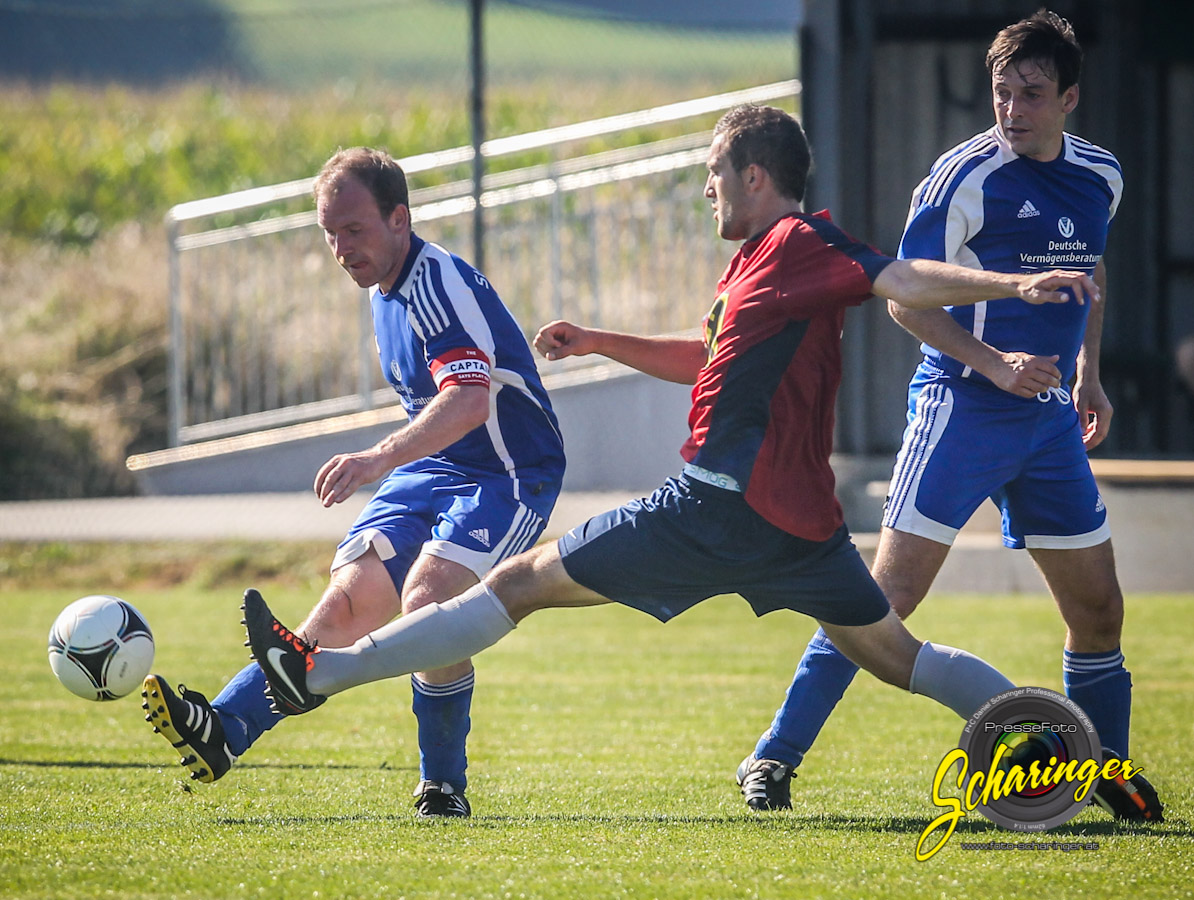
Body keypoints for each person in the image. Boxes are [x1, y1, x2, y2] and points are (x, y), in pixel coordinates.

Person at [235, 105, 1102, 807]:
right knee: (898, 655)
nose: (706, 191)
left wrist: (1012, 284)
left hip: (712, 506)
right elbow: (706, 359)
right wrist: (597, 341)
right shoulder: (750, 268)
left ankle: (323, 674)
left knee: (518, 584)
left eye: (715, 175)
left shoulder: (803, 245)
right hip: (798, 531)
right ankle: (1063, 747)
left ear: (755, 177)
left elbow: (901, 278)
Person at [735, 10, 1163, 823]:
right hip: (961, 407)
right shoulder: (961, 179)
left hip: (1047, 423)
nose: (1012, 110)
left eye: (1032, 94)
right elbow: (903, 301)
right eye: (1002, 92)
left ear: (1070, 96)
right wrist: (995, 364)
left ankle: (1106, 771)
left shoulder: (1099, 175)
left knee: (1099, 608)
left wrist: (1088, 374)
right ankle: (774, 756)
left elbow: (1087, 271)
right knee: (882, 600)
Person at [141, 147, 566, 818]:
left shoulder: (434, 284)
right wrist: (396, 461)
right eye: (329, 232)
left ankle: (442, 785)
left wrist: (377, 460)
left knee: (429, 601)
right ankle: (223, 728)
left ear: (400, 218)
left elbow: (469, 400)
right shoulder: (380, 292)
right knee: (347, 603)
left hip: (508, 473)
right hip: (436, 467)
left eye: (354, 229)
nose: (340, 247)